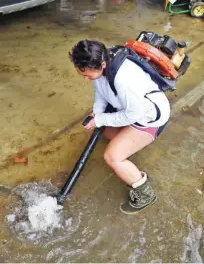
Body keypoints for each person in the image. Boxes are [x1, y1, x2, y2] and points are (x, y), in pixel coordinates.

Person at [69, 40, 170, 214]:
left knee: (112, 156)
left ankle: (145, 194)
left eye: (88, 75)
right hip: (130, 109)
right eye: (82, 74)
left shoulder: (125, 80)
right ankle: (126, 145)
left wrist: (101, 119)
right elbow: (99, 89)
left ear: (101, 64)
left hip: (149, 119)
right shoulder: (101, 65)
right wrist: (97, 113)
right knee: (100, 127)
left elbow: (133, 115)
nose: (85, 79)